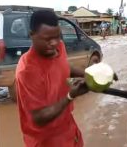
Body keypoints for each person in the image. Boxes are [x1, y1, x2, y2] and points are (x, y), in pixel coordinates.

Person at [15, 10, 89, 147]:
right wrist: (70, 96)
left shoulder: (58, 47)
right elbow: (39, 118)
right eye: (47, 39)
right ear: (32, 35)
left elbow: (64, 66)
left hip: (68, 127)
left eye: (57, 37)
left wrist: (88, 75)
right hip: (45, 139)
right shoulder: (28, 71)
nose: (54, 43)